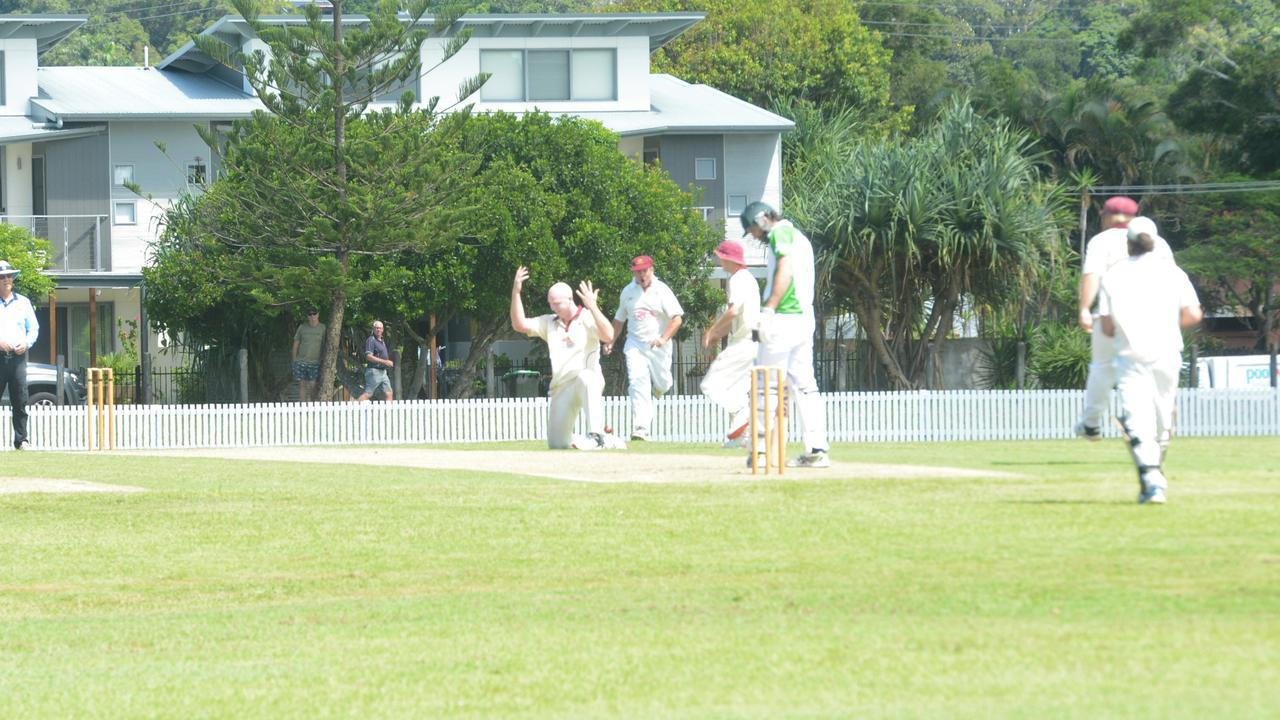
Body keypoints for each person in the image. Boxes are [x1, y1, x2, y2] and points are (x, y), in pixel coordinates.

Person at [1097, 219, 1202, 504]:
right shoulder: (1173, 273)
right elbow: (1193, 315)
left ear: (1128, 243)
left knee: (1137, 418)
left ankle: (1152, 478)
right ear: (1155, 241)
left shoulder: (1113, 275)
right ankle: (1154, 473)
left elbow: (1106, 328)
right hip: (1167, 352)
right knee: (1161, 416)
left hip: (1130, 356)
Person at [740, 201, 830, 468]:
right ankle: (817, 449)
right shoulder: (800, 238)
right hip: (804, 319)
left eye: (753, 230)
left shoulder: (780, 233)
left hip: (783, 318)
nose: (754, 236)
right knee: (805, 385)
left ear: (761, 220)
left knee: (765, 383)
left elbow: (785, 271)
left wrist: (769, 309)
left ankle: (760, 450)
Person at [1075, 199, 1174, 439]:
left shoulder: (1101, 241)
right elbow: (1171, 282)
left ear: (1107, 215)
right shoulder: (1159, 243)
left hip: (1113, 315)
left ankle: (1091, 423)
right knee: (1152, 371)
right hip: (1154, 319)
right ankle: (1158, 429)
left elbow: (1092, 275)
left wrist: (1085, 308)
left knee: (1103, 368)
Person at [510, 265, 617, 450]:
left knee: (587, 377)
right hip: (561, 388)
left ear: (570, 299)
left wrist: (593, 307)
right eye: (551, 303)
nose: (554, 307)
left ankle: (597, 435)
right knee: (557, 444)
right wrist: (516, 292)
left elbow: (608, 335)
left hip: (584, 381)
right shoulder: (549, 322)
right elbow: (519, 325)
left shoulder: (587, 317)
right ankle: (609, 440)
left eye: (557, 303)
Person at [605, 255, 683, 441]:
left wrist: (663, 339)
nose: (641, 275)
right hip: (634, 344)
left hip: (658, 346)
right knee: (638, 382)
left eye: (644, 271)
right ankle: (641, 427)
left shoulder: (662, 290)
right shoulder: (628, 292)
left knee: (664, 384)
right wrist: (610, 341)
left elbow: (677, 318)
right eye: (638, 272)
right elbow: (618, 320)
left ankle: (657, 391)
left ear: (652, 270)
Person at [700, 240, 760, 447]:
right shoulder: (749, 279)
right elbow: (739, 316)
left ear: (727, 258)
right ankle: (742, 440)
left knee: (709, 386)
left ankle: (742, 413)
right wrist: (718, 334)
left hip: (743, 343)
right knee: (736, 389)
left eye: (719, 256)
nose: (718, 260)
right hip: (753, 342)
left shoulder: (738, 279)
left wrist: (713, 330)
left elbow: (733, 311)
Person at [0, 260, 38, 450]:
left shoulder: (24, 302)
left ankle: (21, 440)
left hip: (18, 359)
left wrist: (26, 342)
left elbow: (34, 329)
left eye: (9, 276)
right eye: (2, 276)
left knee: (20, 400)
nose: (6, 279)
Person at [291, 309, 325, 401]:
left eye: (314, 313)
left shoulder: (323, 328)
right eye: (310, 314)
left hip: (315, 362)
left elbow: (326, 345)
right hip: (301, 362)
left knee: (314, 386)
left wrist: (322, 360)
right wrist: (294, 360)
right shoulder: (302, 327)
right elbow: (296, 344)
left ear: (318, 314)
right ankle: (303, 408)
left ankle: (313, 408)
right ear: (307, 316)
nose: (312, 316)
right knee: (302, 386)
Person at [356, 320, 394, 402]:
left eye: (380, 328)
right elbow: (369, 356)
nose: (378, 330)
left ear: (383, 329)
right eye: (376, 328)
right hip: (374, 371)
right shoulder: (371, 339)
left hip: (383, 372)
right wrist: (385, 362)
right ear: (373, 329)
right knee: (368, 394)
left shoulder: (382, 341)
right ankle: (352, 409)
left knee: (389, 393)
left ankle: (387, 413)